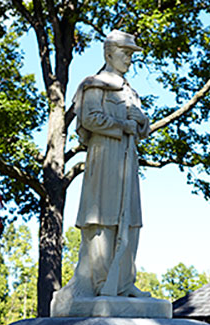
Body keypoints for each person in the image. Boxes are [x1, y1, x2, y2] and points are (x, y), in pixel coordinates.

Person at [57, 29, 151, 302]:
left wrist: (141, 120)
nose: (129, 60)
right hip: (105, 156)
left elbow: (142, 128)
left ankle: (124, 282)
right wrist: (123, 124)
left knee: (130, 219)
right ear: (109, 53)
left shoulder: (131, 91)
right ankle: (100, 282)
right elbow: (89, 118)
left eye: (131, 55)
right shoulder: (94, 85)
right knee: (103, 218)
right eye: (125, 53)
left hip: (128, 159)